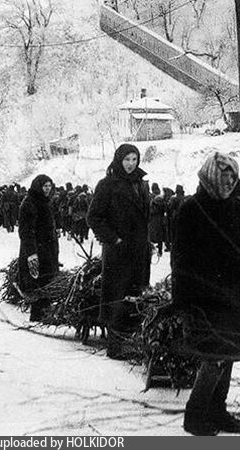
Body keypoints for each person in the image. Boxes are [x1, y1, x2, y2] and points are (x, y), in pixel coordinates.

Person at [172, 152, 240, 436]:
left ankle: (217, 411)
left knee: (230, 354)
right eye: (225, 176)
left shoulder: (236, 208)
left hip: (234, 296)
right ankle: (195, 416)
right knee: (213, 357)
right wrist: (184, 301)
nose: (229, 182)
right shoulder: (190, 210)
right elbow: (181, 261)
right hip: (204, 298)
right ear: (211, 175)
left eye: (233, 177)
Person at [87, 143, 151, 359]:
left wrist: (148, 241)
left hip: (139, 251)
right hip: (118, 252)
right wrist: (114, 239)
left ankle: (132, 341)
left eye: (134, 159)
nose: (131, 164)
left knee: (136, 294)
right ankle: (115, 346)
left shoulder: (142, 184)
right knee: (118, 295)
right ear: (118, 160)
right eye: (126, 160)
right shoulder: (107, 184)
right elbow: (94, 217)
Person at [17, 174, 60, 322]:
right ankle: (36, 315)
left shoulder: (45, 202)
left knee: (48, 280)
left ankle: (45, 311)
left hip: (48, 250)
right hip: (37, 250)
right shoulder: (29, 203)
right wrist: (31, 254)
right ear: (38, 186)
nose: (48, 189)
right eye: (45, 186)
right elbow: (26, 231)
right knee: (38, 282)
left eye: (49, 186)